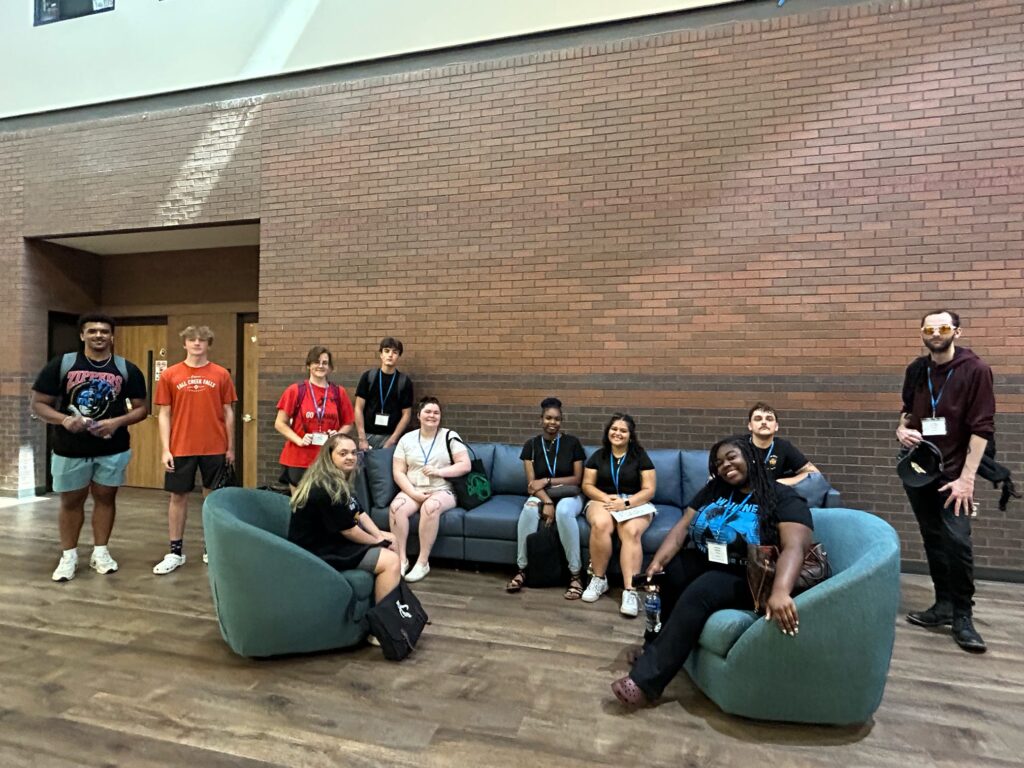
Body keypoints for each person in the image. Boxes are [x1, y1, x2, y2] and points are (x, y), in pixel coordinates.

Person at [610, 436, 814, 707]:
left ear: (751, 458)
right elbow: (683, 527)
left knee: (702, 590)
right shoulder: (715, 490)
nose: (725, 466)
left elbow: (794, 547)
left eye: (732, 458)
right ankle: (653, 647)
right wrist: (657, 563)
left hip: (751, 575)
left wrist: (780, 591)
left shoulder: (781, 496)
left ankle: (646, 681)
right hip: (711, 560)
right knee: (668, 575)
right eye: (719, 463)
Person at [897, 310, 994, 653]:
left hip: (956, 476)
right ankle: (942, 606)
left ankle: (963, 615)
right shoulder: (916, 370)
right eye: (928, 328)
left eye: (942, 328)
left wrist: (967, 480)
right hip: (920, 471)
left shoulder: (976, 370)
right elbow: (907, 411)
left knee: (958, 542)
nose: (935, 333)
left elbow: (982, 429)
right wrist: (901, 428)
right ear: (922, 333)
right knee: (932, 538)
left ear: (957, 331)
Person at [31, 313, 148, 582]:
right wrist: (65, 420)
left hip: (112, 449)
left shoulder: (126, 369)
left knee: (106, 498)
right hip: (70, 448)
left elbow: (142, 409)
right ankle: (69, 556)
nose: (99, 335)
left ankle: (101, 552)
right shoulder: (62, 365)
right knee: (71, 501)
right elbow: (38, 404)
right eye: (92, 331)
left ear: (112, 336)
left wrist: (116, 422)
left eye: (104, 331)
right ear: (82, 335)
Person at [152, 325, 237, 575]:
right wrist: (165, 448)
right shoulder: (170, 374)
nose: (197, 343)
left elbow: (228, 412)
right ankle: (175, 552)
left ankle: (212, 549)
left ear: (209, 344)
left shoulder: (221, 374)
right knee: (178, 497)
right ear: (185, 344)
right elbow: (164, 414)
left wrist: (230, 447)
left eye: (202, 340)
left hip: (215, 446)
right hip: (181, 446)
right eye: (192, 339)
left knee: (213, 499)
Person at [288, 433, 402, 603]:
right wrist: (377, 542)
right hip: (317, 552)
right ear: (329, 456)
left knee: (392, 538)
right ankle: (384, 620)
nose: (350, 457)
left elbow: (359, 512)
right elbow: (349, 530)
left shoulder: (339, 479)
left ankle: (396, 607)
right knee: (391, 561)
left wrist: (379, 535)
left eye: (353, 453)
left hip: (332, 541)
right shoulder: (326, 486)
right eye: (343, 453)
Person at [506, 397, 587, 598]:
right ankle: (522, 569)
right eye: (549, 418)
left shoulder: (572, 443)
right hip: (544, 496)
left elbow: (576, 479)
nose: (553, 423)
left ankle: (575, 574)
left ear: (562, 421)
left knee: (564, 511)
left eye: (557, 419)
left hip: (569, 495)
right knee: (529, 509)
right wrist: (547, 501)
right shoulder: (531, 446)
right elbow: (532, 485)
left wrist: (548, 481)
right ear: (541, 420)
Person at [580, 413, 657, 616]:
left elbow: (649, 489)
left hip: (634, 501)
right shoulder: (598, 455)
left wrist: (627, 503)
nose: (618, 433)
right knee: (601, 523)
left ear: (630, 435)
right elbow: (587, 485)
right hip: (603, 499)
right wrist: (607, 499)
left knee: (631, 530)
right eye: (614, 429)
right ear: (608, 432)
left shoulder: (640, 456)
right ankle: (599, 579)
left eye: (623, 430)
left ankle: (630, 590)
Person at [389, 397, 470, 583]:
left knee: (431, 507)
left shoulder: (450, 436)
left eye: (436, 413)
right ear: (418, 415)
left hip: (442, 489)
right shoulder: (406, 439)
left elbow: (465, 465)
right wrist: (412, 492)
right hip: (414, 488)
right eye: (427, 412)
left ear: (440, 417)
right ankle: (401, 560)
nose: (432, 416)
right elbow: (398, 472)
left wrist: (439, 471)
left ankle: (422, 562)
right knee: (396, 508)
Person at [274, 346, 355, 490]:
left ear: (330, 367)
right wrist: (299, 440)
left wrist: (337, 436)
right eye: (316, 362)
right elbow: (280, 423)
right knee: (300, 505)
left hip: (328, 459)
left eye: (325, 363)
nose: (320, 366)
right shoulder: (295, 391)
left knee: (326, 503)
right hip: (299, 458)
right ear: (309, 365)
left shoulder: (338, 392)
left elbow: (348, 423)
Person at [354, 337, 414, 451]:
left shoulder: (404, 381)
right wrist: (362, 438)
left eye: (395, 352)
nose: (390, 355)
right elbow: (358, 407)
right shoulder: (368, 377)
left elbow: (406, 414)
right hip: (368, 436)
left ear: (398, 356)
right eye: (386, 351)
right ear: (381, 354)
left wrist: (392, 440)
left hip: (391, 438)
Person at [746, 402, 820, 485]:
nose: (764, 422)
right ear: (750, 426)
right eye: (758, 419)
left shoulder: (783, 447)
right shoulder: (738, 445)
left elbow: (814, 473)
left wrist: (782, 482)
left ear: (776, 426)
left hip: (772, 494)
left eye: (769, 419)